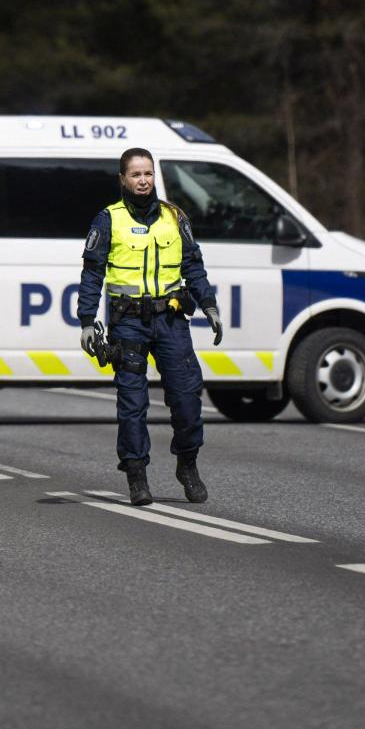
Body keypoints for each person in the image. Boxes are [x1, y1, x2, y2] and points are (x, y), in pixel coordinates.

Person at [76, 147, 223, 507]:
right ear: (123, 179)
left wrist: (208, 304)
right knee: (132, 404)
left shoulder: (175, 217)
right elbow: (92, 274)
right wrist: (86, 321)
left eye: (148, 173)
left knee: (187, 399)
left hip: (171, 319)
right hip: (128, 323)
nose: (143, 180)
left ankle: (187, 463)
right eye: (136, 174)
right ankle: (136, 474)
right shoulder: (107, 220)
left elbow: (193, 266)